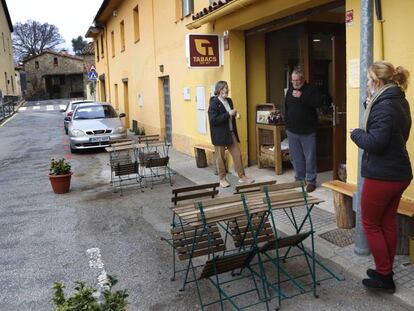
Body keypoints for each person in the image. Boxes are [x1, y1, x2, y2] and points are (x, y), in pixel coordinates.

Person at [350, 61, 412, 293]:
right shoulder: (397, 101)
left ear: (377, 82)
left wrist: (356, 134)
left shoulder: (383, 107)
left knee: (370, 223)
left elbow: (375, 143)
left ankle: (384, 276)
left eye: (368, 80)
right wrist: (370, 106)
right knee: (386, 222)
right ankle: (384, 269)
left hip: (383, 175)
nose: (366, 84)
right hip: (398, 173)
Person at [208, 81, 254, 188]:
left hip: (230, 132)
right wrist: (228, 114)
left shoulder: (229, 100)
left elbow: (231, 114)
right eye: (225, 88)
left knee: (237, 154)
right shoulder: (214, 103)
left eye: (227, 88)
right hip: (219, 135)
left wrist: (235, 114)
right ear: (219, 90)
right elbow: (213, 120)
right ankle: (222, 179)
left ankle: (242, 177)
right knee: (220, 157)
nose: (227, 90)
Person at [284, 67, 321, 192]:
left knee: (310, 157)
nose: (294, 83)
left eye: (297, 81)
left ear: (303, 79)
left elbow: (318, 103)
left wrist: (302, 96)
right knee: (295, 157)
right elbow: (287, 107)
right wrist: (287, 124)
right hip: (292, 130)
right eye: (292, 80)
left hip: (308, 130)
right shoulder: (290, 90)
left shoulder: (311, 89)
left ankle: (311, 181)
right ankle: (299, 178)